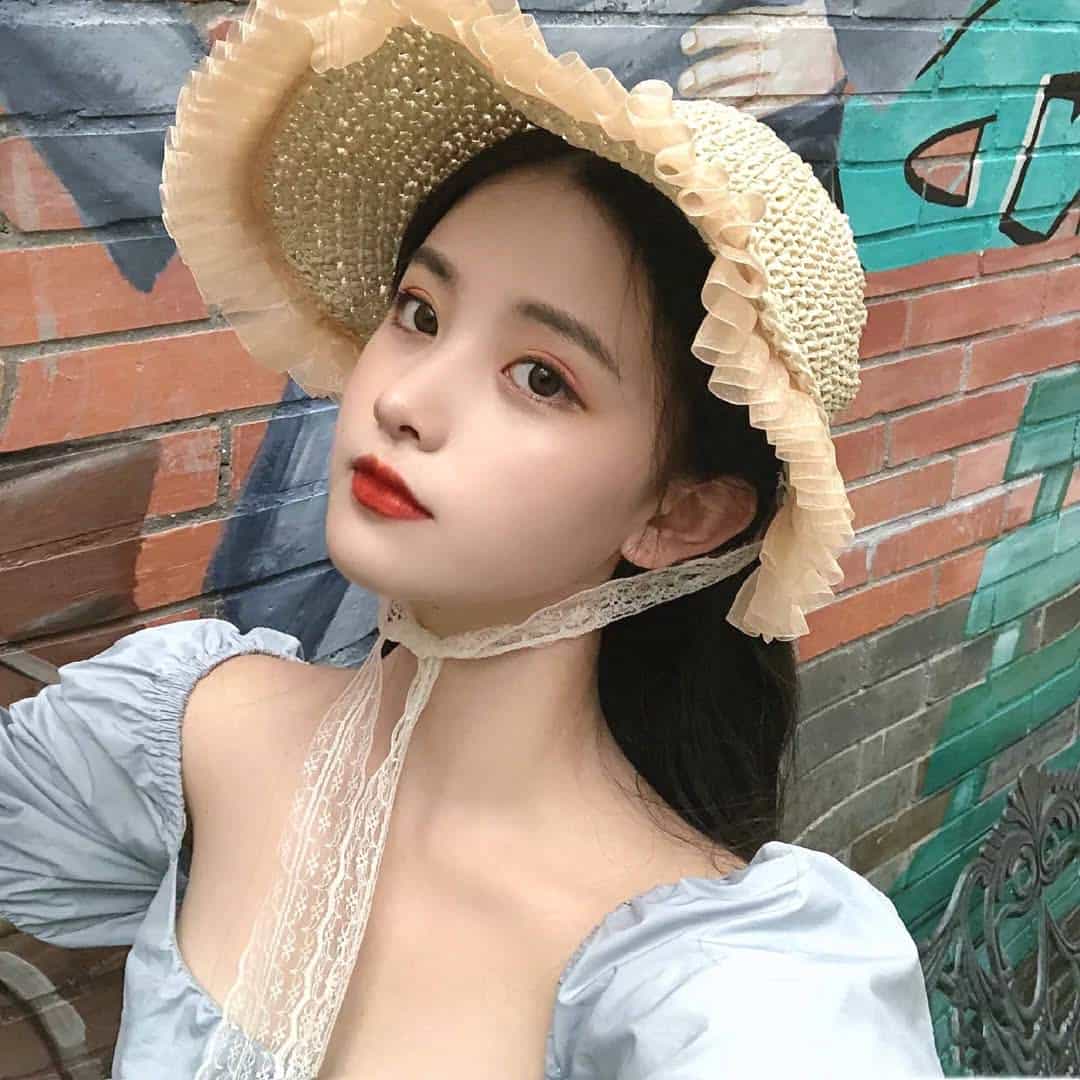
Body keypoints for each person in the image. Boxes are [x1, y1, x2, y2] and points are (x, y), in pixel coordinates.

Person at [0, 2, 944, 1077]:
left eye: (542, 378)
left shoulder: (732, 1001)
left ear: (679, 515)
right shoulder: (182, 733)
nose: (405, 401)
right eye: (420, 313)